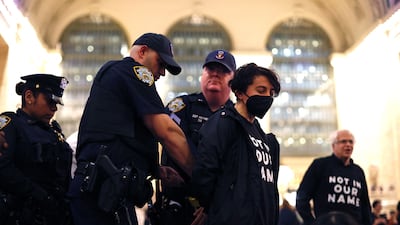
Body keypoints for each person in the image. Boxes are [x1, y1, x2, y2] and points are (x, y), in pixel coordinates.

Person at [68, 32, 194, 225]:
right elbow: (167, 132)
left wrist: (155, 169)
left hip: (103, 192)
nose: (161, 73)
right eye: (161, 64)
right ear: (143, 51)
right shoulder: (132, 71)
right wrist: (200, 178)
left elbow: (119, 136)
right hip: (101, 192)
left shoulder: (117, 76)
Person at [192, 63, 281, 225]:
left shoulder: (262, 135)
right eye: (261, 91)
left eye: (271, 93)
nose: (267, 97)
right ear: (239, 92)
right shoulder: (223, 123)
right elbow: (205, 172)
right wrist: (208, 207)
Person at [157, 49, 236, 225]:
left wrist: (213, 203)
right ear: (202, 75)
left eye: (222, 70)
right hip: (176, 207)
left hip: (218, 211)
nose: (215, 73)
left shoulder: (236, 118)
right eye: (210, 69)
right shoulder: (182, 106)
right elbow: (170, 142)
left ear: (233, 80)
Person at [0, 74, 73, 225]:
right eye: (50, 101)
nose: (54, 109)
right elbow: (3, 168)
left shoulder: (55, 132)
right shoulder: (11, 123)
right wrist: (39, 195)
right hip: (20, 214)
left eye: (56, 104)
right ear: (29, 97)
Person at [296, 129, 372, 225]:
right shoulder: (320, 165)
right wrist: (311, 222)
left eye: (351, 142)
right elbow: (302, 197)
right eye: (343, 141)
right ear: (333, 145)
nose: (348, 144)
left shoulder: (358, 171)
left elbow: (365, 205)